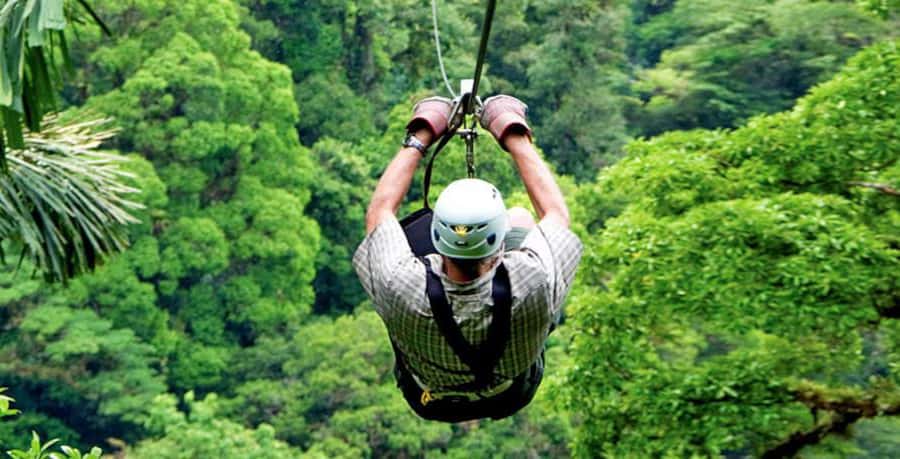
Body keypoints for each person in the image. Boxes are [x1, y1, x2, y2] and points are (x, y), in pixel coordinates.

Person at [352, 95, 582, 422]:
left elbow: (380, 213)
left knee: (401, 234)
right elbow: (555, 213)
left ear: (438, 239)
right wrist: (511, 131)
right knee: (521, 216)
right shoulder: (534, 280)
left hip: (430, 397)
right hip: (511, 391)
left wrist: (421, 135)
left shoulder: (400, 283)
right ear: (499, 243)